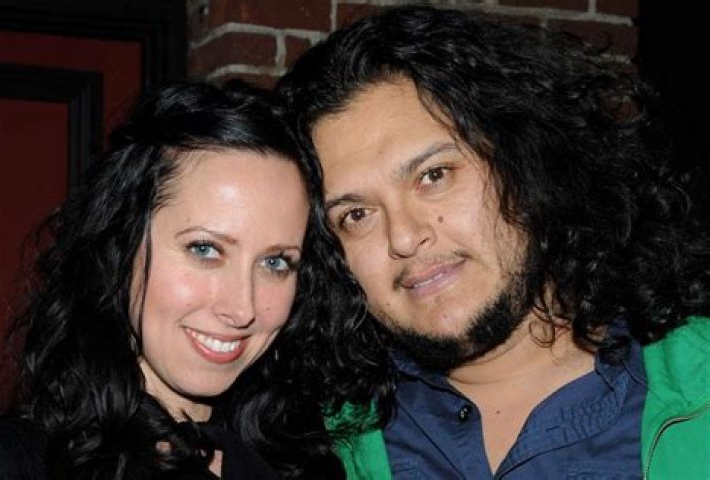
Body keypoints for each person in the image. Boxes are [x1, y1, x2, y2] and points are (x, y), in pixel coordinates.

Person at [277, 6, 710, 479]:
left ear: (524, 165)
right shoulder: (308, 445)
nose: (403, 236)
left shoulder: (697, 392)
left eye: (434, 175)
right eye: (356, 215)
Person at [0, 80, 387, 479]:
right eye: (205, 249)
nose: (242, 309)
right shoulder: (12, 462)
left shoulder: (308, 461)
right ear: (121, 248)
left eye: (275, 262)